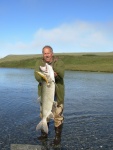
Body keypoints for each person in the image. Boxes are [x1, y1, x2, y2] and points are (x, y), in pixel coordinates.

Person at [34, 45, 65, 145]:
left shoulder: (59, 62)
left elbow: (61, 74)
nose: (46, 55)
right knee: (44, 114)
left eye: (48, 53)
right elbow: (37, 76)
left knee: (58, 117)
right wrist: (47, 75)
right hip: (45, 96)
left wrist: (53, 73)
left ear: (52, 53)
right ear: (43, 54)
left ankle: (57, 138)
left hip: (58, 95)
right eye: (44, 53)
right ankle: (44, 135)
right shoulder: (39, 63)